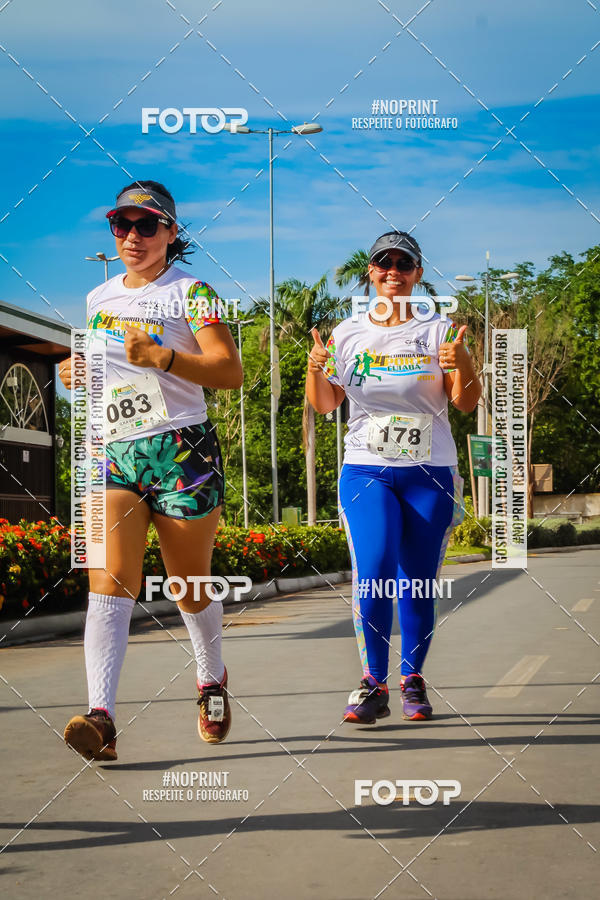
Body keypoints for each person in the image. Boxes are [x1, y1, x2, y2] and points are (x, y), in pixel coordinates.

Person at [59, 180, 243, 760]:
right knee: (107, 584)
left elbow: (229, 371)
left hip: (181, 451)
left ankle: (211, 680)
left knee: (188, 584)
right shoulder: (99, 298)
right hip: (114, 451)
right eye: (121, 224)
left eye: (146, 225)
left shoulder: (197, 292)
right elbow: (105, 378)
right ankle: (102, 717)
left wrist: (162, 356)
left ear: (171, 231)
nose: (132, 237)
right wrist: (75, 373)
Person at [306, 231, 481, 723]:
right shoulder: (347, 333)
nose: (393, 273)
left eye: (403, 264)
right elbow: (324, 404)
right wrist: (316, 368)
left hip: (429, 472)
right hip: (367, 469)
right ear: (371, 271)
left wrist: (462, 362)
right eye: (383, 264)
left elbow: (466, 401)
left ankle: (412, 680)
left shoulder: (440, 330)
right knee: (375, 568)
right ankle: (371, 682)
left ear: (418, 274)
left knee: (418, 583)